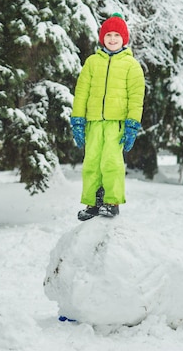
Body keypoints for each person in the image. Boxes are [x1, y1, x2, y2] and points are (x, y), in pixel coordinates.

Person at [70, 13, 145, 221]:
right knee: (92, 162)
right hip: (93, 122)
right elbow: (81, 93)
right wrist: (78, 120)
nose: (112, 39)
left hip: (116, 123)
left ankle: (111, 202)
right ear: (103, 38)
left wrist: (132, 125)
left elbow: (136, 98)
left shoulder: (132, 65)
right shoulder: (92, 63)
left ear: (124, 39)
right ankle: (93, 202)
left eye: (117, 35)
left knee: (111, 162)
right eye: (108, 35)